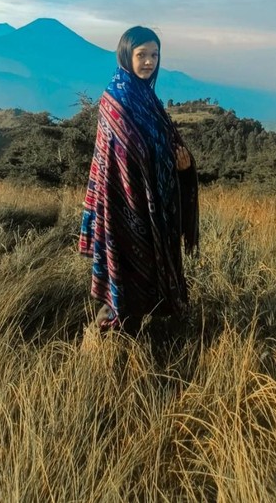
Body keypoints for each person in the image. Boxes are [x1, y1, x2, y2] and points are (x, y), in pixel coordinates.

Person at [79, 25, 199, 332]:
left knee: (150, 272)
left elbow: (164, 143)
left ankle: (157, 331)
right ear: (125, 55)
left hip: (155, 206)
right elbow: (122, 155)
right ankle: (115, 340)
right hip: (125, 204)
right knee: (127, 276)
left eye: (154, 55)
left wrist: (183, 168)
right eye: (141, 54)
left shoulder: (147, 97)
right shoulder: (115, 100)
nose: (149, 62)